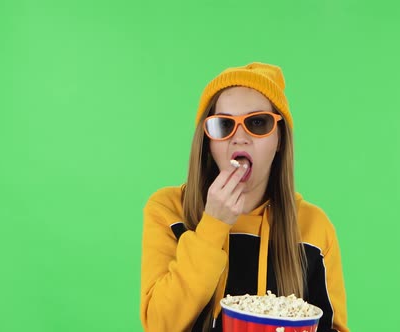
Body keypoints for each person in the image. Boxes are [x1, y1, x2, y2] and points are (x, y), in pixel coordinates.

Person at [140, 62, 348, 331]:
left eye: (258, 123)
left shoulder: (314, 228)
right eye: (224, 125)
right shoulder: (168, 210)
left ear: (280, 140)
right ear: (208, 142)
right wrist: (212, 225)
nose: (239, 138)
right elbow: (160, 325)